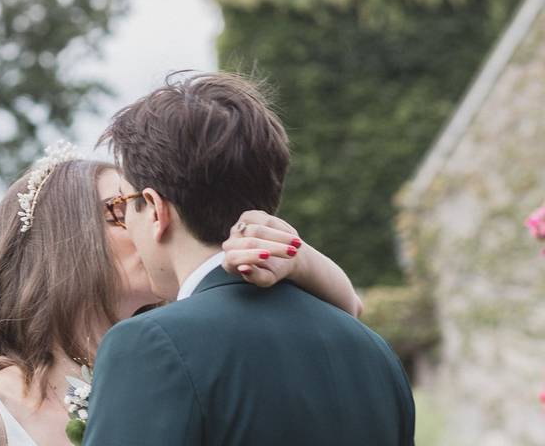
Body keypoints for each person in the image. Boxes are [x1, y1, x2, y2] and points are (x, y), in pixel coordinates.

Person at [0, 143, 363, 444]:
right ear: (61, 240)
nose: (150, 226)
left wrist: (298, 257)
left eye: (145, 206)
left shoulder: (178, 355)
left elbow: (344, 325)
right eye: (122, 211)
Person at [83, 72, 415, 445]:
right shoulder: (375, 355)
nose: (125, 223)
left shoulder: (151, 345)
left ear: (157, 210)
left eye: (123, 206)